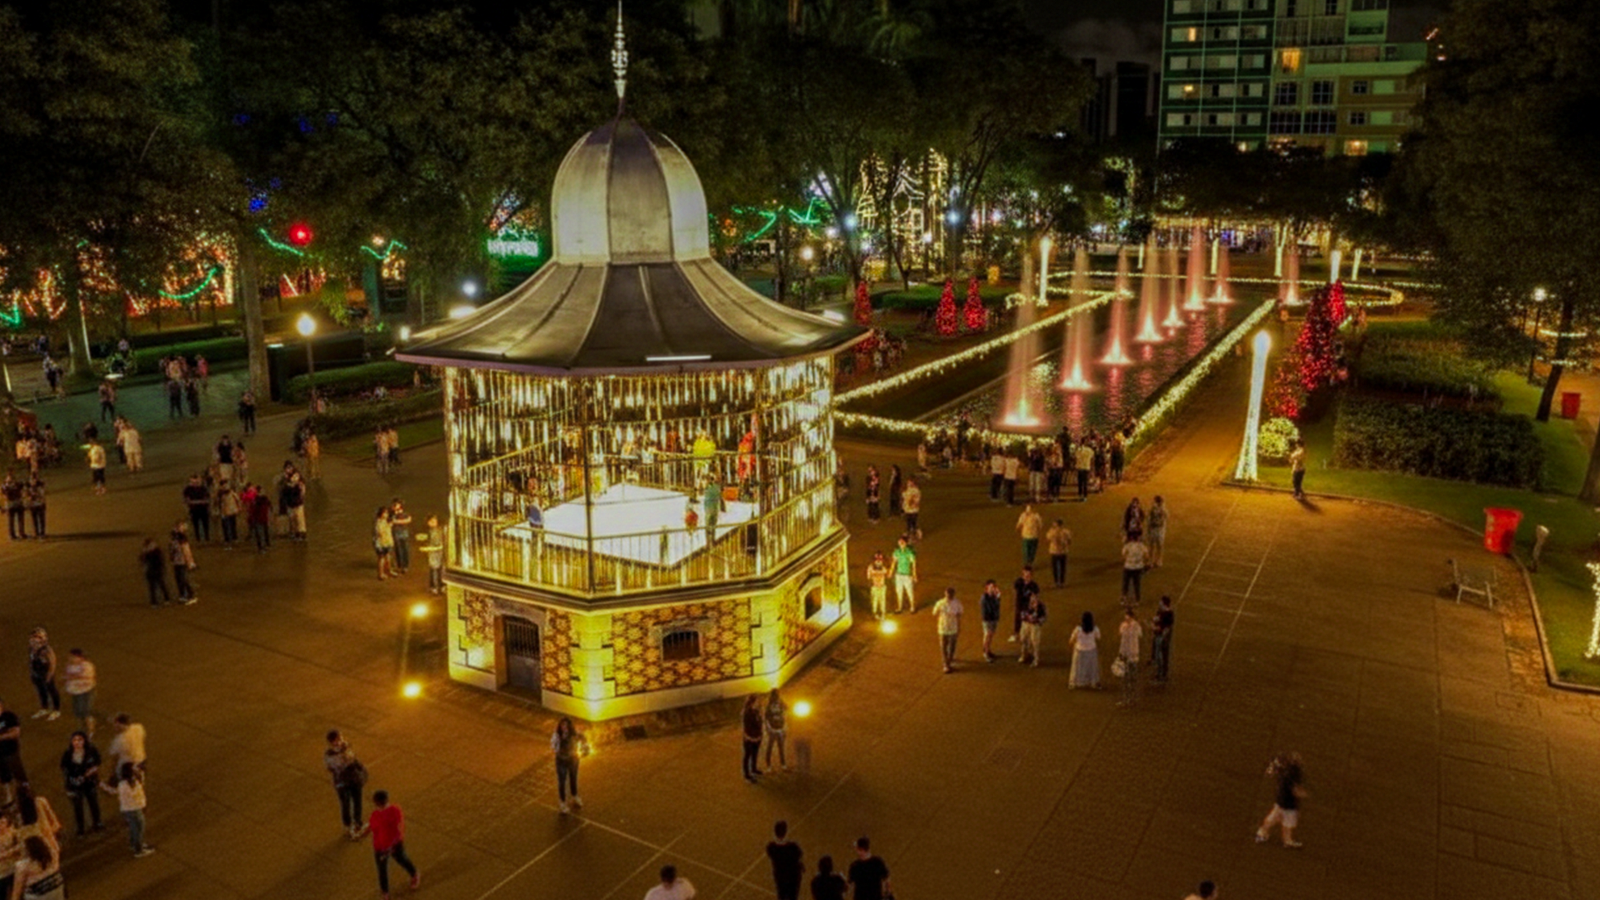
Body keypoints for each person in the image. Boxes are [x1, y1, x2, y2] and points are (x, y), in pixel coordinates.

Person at [358, 790, 419, 899]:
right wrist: (363, 834)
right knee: (382, 870)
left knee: (403, 860)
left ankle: (414, 874)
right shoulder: (375, 814)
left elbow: (399, 828)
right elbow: (372, 826)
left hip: (394, 845)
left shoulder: (394, 811)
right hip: (379, 847)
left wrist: (393, 845)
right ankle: (385, 892)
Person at [1256, 752, 1307, 848]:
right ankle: (1287, 841)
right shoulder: (1294, 774)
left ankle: (1261, 832)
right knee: (1287, 824)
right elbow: (1295, 790)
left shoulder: (1284, 772)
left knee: (1272, 818)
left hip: (1280, 801)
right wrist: (1303, 794)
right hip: (1289, 805)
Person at [101, 763, 153, 857]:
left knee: (134, 827)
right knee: (139, 827)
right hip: (133, 808)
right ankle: (139, 848)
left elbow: (112, 791)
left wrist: (102, 785)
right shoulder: (126, 784)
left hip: (131, 808)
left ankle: (135, 844)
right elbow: (114, 791)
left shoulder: (128, 782)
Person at [325, 731, 367, 838]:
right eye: (336, 740)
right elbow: (334, 767)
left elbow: (353, 758)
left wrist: (361, 769)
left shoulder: (346, 746)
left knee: (358, 801)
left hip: (354, 779)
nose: (339, 741)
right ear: (331, 742)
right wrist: (346, 760)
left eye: (340, 738)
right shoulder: (329, 755)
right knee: (345, 804)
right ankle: (348, 827)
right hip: (342, 783)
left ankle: (358, 823)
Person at [59, 732, 102, 837]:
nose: (77, 742)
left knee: (93, 803)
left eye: (80, 740)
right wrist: (71, 782)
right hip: (76, 785)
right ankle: (80, 828)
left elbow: (98, 763)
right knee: (78, 807)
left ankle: (97, 823)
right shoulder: (68, 754)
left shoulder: (91, 751)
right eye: (74, 740)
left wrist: (90, 773)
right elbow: (64, 769)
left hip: (89, 782)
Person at [551, 717, 588, 813]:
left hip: (573, 760)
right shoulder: (557, 735)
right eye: (562, 725)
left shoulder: (575, 734)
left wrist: (584, 748)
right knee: (562, 782)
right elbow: (554, 747)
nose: (564, 727)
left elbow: (583, 739)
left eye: (566, 725)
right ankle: (562, 803)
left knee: (573, 778)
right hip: (561, 761)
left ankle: (574, 796)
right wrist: (560, 742)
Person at [61, 649, 96, 738]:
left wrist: (71, 677)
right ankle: (80, 729)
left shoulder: (87, 666)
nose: (70, 659)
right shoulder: (70, 666)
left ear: (79, 657)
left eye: (72, 657)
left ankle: (90, 729)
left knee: (85, 711)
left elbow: (87, 676)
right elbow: (66, 677)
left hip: (86, 691)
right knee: (77, 712)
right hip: (75, 692)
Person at [766, 820, 805, 900]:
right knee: (793, 895)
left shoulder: (771, 847)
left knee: (781, 893)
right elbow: (799, 854)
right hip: (793, 876)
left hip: (780, 875)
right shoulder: (793, 847)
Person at [25, 630, 58, 722]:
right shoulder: (31, 649)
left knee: (52, 691)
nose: (33, 641)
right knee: (41, 691)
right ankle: (44, 708)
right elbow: (31, 661)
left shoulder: (46, 650)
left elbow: (53, 662)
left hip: (46, 673)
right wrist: (32, 672)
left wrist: (50, 675)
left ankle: (56, 710)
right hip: (37, 674)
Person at [0, 698, 26, 803]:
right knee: (3, 775)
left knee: (18, 774)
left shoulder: (9, 717)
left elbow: (16, 733)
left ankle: (25, 794)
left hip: (11, 752)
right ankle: (9, 795)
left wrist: (1, 737)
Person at [106, 713, 147, 779]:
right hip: (140, 762)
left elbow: (114, 759)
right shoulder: (139, 729)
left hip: (126, 767)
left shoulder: (119, 740)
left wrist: (112, 774)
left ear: (118, 724)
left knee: (124, 786)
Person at [932, 587, 963, 674]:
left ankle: (950, 658)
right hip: (943, 627)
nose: (948, 596)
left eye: (950, 595)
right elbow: (934, 613)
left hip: (953, 627)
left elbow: (960, 614)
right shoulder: (940, 603)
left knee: (952, 646)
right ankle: (946, 664)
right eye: (947, 595)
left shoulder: (957, 603)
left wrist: (959, 627)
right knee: (943, 646)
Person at [1117, 608, 1143, 707]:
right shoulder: (1126, 626)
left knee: (1131, 678)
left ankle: (1131, 698)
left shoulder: (1134, 626)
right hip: (1127, 655)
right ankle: (1127, 698)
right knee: (1126, 679)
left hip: (1131, 654)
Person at [1069, 611, 1102, 689]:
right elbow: (1099, 637)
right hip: (1091, 650)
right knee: (1092, 668)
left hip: (1079, 650)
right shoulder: (1095, 629)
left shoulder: (1078, 629)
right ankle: (1094, 682)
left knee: (1077, 668)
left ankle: (1074, 683)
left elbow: (1071, 640)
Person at [169, 523, 198, 605]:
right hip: (177, 562)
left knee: (183, 579)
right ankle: (183, 595)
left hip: (182, 562)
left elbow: (187, 553)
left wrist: (190, 563)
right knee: (179, 579)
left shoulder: (182, 541)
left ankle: (190, 595)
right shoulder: (175, 541)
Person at [1010, 565, 1038, 644]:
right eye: (1025, 574)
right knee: (1017, 619)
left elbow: (1035, 596)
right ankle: (1016, 634)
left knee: (1027, 621)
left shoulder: (1033, 585)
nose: (1026, 576)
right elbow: (1015, 592)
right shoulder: (1018, 582)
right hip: (1019, 604)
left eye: (1028, 574)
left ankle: (1027, 636)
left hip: (1027, 606)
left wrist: (1033, 605)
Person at [890, 536, 917, 614]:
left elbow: (913, 564)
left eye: (902, 542)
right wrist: (891, 571)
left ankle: (912, 607)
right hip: (899, 574)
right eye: (900, 542)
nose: (901, 544)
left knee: (910, 591)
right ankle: (899, 607)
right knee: (899, 591)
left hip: (907, 574)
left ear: (906, 543)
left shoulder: (909, 552)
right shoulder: (897, 552)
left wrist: (914, 574)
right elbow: (894, 562)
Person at [1019, 590, 1046, 666]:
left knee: (1035, 642)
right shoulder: (1025, 604)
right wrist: (1027, 617)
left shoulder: (1041, 606)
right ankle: (1024, 655)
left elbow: (1044, 617)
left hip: (1035, 625)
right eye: (1032, 597)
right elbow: (1021, 613)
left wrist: (1036, 620)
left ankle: (1036, 659)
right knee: (1023, 639)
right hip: (1026, 623)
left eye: (1035, 597)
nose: (1033, 599)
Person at [1121, 531, 1148, 608]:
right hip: (1138, 567)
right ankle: (1137, 600)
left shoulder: (1127, 546)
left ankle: (1124, 598)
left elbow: (1123, 556)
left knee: (1125, 584)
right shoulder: (1142, 546)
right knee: (1137, 584)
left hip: (1128, 566)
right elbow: (1146, 556)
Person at [763, 689, 788, 771]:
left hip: (780, 727)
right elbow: (766, 717)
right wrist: (768, 728)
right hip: (773, 728)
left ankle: (783, 764)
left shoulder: (780, 703)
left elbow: (787, 708)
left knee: (781, 747)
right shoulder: (769, 705)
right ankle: (769, 765)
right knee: (770, 747)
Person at [1151, 596, 1175, 684]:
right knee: (1159, 657)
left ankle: (1161, 675)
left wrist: (1154, 627)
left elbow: (1163, 628)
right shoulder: (1163, 612)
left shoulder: (1167, 615)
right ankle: (1160, 674)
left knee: (1161, 657)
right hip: (1160, 637)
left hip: (1162, 639)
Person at [741, 694, 764, 782]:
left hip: (756, 736)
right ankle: (747, 774)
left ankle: (754, 769)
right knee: (747, 755)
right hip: (750, 737)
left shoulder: (756, 711)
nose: (759, 703)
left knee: (755, 754)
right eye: (758, 701)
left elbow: (760, 723)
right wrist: (749, 736)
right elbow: (747, 726)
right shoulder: (747, 713)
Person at [979, 580, 1002, 663]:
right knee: (987, 636)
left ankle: (988, 650)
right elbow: (991, 608)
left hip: (993, 619)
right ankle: (985, 652)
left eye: (994, 587)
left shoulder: (993, 597)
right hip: (988, 620)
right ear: (987, 588)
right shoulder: (985, 598)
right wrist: (998, 599)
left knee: (990, 636)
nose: (993, 589)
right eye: (991, 587)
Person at [421, 518, 445, 594]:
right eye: (432, 521)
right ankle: (435, 587)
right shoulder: (431, 531)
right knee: (435, 570)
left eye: (435, 521)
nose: (434, 523)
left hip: (438, 553)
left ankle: (440, 586)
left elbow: (439, 543)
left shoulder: (438, 531)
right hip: (434, 553)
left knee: (439, 570)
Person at [1045, 518, 1072, 587]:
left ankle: (1057, 582)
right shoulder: (1066, 532)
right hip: (1062, 552)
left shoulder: (1052, 532)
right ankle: (1061, 582)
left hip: (1055, 552)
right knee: (1062, 567)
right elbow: (1069, 541)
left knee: (1056, 568)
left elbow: (1047, 539)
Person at [390, 499, 413, 574]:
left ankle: (405, 565)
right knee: (398, 549)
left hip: (403, 533)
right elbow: (391, 521)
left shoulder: (404, 513)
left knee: (405, 549)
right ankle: (400, 565)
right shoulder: (392, 514)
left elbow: (409, 519)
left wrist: (397, 521)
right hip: (396, 533)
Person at [865, 552, 889, 621]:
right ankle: (874, 613)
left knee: (882, 600)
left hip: (882, 586)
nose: (878, 561)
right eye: (877, 559)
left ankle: (883, 613)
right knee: (875, 600)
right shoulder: (871, 567)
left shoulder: (883, 567)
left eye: (880, 559)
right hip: (874, 586)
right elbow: (868, 577)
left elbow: (887, 574)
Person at [1146, 496, 1168, 568]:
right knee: (1151, 545)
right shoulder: (1152, 509)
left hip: (1160, 529)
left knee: (1159, 545)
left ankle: (1158, 560)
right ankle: (1150, 560)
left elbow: (1166, 516)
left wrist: (1162, 509)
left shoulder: (1163, 509)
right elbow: (1149, 518)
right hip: (1153, 528)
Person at [373, 507, 395, 581]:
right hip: (381, 543)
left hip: (387, 541)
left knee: (388, 557)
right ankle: (381, 573)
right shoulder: (378, 522)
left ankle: (389, 571)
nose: (386, 514)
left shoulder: (387, 521)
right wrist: (388, 525)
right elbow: (380, 533)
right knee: (381, 558)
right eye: (384, 513)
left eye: (387, 513)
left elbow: (389, 531)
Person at [3, 474, 23, 540]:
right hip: (10, 505)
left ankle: (21, 533)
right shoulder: (5, 487)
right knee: (11, 521)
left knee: (20, 519)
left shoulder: (17, 484)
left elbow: (21, 486)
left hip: (18, 503)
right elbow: (6, 493)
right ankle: (12, 535)